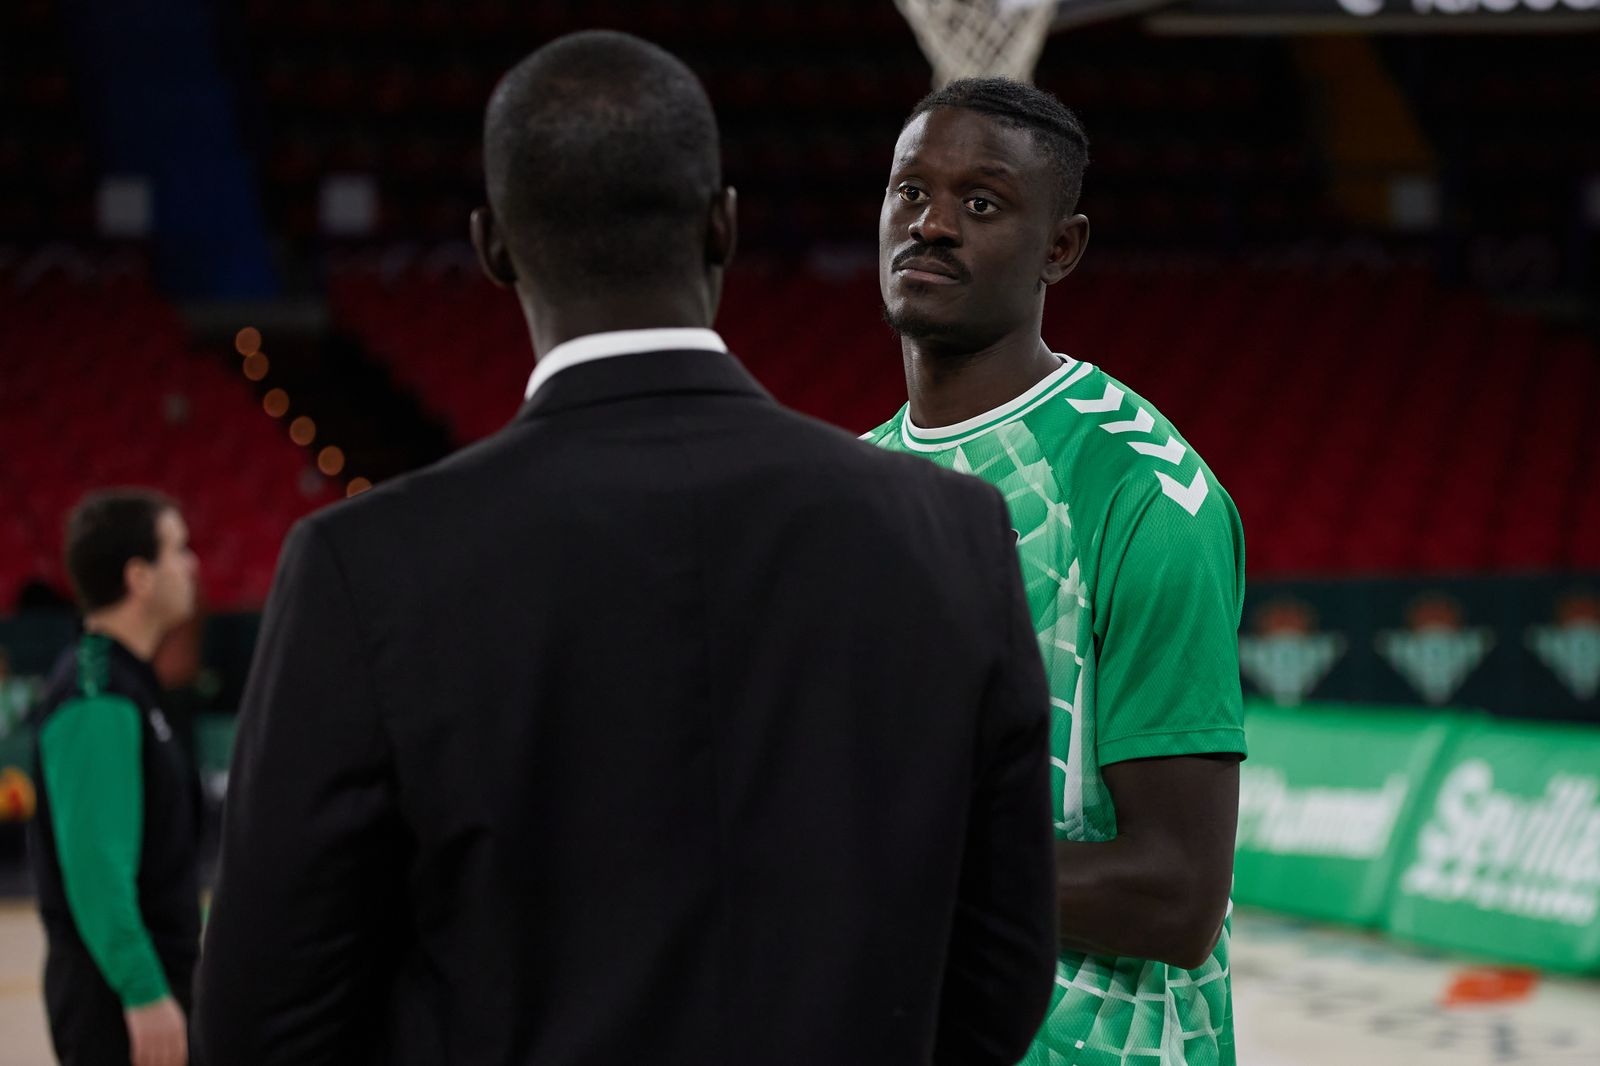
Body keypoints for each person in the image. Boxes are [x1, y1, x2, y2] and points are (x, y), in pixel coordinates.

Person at [194, 32, 1057, 1066]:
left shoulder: (363, 567)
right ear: (722, 226)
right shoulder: (953, 531)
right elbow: (1001, 977)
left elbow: (263, 1022)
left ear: (494, 245)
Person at [862, 78, 1248, 1066]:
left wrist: (875, 868)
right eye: (910, 192)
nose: (933, 225)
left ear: (1059, 249)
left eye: (981, 203)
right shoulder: (848, 487)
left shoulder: (1144, 494)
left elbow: (1174, 892)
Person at [28, 489, 202, 1066]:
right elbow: (97, 870)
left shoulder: (129, 682)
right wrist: (144, 990)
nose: (191, 564)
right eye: (177, 549)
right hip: (119, 1005)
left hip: (153, 983)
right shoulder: (96, 694)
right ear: (139, 577)